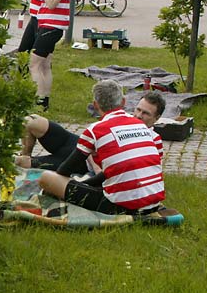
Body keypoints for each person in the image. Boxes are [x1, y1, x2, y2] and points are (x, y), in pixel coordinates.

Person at [39, 80, 165, 214]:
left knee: (47, 178)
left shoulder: (95, 130)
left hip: (122, 207)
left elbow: (64, 171)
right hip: (153, 203)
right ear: (123, 102)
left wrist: (78, 184)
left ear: (95, 105)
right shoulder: (142, 126)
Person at [16, 90, 166, 172]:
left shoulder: (151, 140)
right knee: (31, 121)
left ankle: (22, 163)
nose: (138, 115)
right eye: (138, 110)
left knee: (22, 163)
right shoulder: (122, 119)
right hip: (78, 144)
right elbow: (91, 137)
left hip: (81, 163)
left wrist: (95, 170)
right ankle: (25, 153)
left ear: (157, 118)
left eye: (145, 114)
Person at [18, 0, 69, 112]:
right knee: (44, 63)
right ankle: (44, 100)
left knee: (34, 64)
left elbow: (52, 4)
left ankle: (39, 102)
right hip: (38, 20)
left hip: (52, 25)